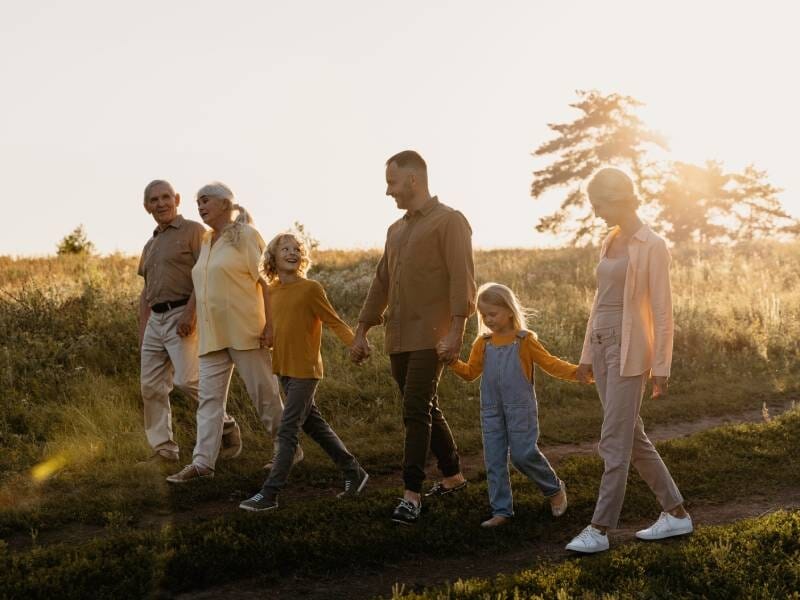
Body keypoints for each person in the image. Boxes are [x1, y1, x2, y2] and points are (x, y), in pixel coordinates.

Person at [565, 167, 692, 553]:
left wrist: (662, 367)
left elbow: (662, 310)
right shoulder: (609, 240)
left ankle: (600, 529)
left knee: (613, 442)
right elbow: (599, 302)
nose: (596, 211)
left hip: (629, 350)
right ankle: (676, 514)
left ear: (616, 198)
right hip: (602, 345)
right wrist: (587, 355)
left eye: (598, 203)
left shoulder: (652, 244)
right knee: (630, 437)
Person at [351, 150, 476, 524]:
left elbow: (462, 279)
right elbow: (381, 282)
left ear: (413, 181)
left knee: (414, 410)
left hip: (433, 335)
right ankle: (453, 476)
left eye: (392, 182)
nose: (388, 191)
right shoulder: (396, 230)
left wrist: (457, 332)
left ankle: (412, 493)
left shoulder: (450, 221)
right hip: (398, 336)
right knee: (424, 406)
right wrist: (361, 331)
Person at [166, 182, 289, 483]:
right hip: (212, 334)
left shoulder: (245, 236)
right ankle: (202, 464)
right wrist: (190, 314)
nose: (200, 206)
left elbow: (267, 283)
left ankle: (288, 450)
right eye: (197, 202)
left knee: (264, 396)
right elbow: (201, 282)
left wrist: (271, 325)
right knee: (209, 401)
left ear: (224, 203)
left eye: (205, 200)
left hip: (247, 329)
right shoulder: (208, 240)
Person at [239, 233, 368, 511]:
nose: (292, 252)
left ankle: (269, 494)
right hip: (283, 369)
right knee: (314, 425)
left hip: (306, 370)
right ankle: (354, 473)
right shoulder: (271, 291)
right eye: (285, 248)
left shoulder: (311, 288)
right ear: (272, 257)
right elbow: (275, 325)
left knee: (287, 431)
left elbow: (333, 321)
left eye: (297, 248)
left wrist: (355, 344)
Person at [443, 283, 577, 527]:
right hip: (491, 411)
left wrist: (579, 373)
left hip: (521, 409)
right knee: (493, 460)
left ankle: (554, 488)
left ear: (509, 310)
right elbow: (470, 373)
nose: (488, 319)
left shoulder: (524, 341)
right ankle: (501, 510)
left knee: (523, 454)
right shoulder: (482, 343)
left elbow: (551, 363)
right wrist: (452, 362)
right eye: (484, 315)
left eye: (492, 314)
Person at [137, 179, 241, 465]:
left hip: (182, 313)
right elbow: (146, 291)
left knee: (187, 380)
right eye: (154, 200)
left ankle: (226, 424)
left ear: (177, 199)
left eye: (166, 197)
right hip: (155, 321)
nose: (161, 204)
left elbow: (205, 274)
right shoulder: (150, 244)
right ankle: (164, 450)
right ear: (147, 207)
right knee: (151, 387)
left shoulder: (194, 231)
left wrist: (190, 313)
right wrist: (143, 329)